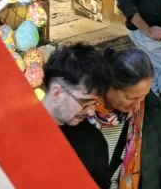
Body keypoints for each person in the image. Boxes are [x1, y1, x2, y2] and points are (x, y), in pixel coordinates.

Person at [87, 48, 161, 189]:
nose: (138, 104)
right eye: (130, 97)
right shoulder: (82, 111)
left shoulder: (154, 111)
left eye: (143, 96)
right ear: (109, 85)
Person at [42, 44, 112, 188]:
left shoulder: (93, 143)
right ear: (57, 93)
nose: (92, 111)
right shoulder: (13, 131)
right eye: (85, 102)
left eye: (96, 103)